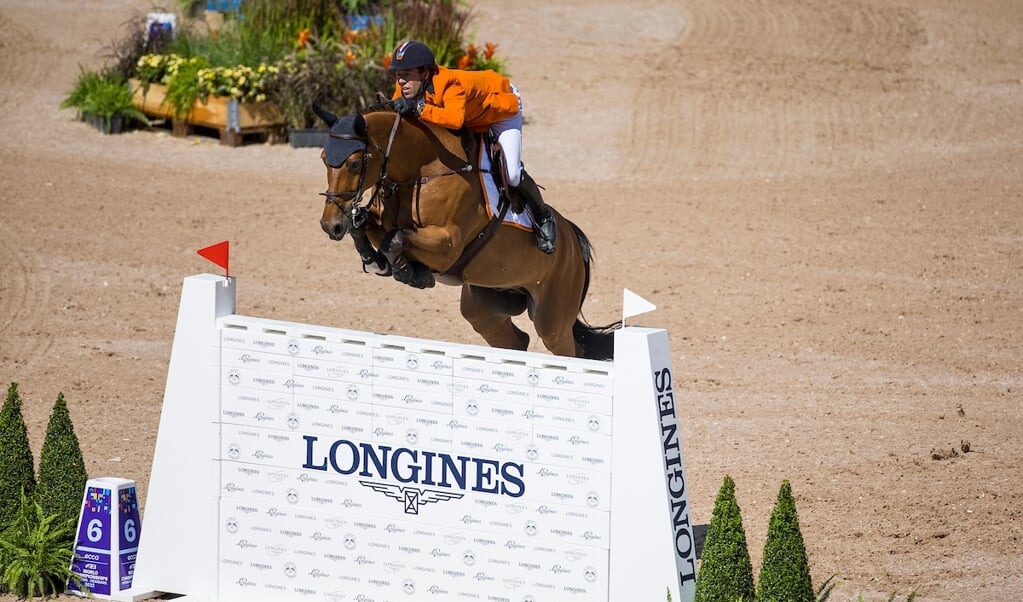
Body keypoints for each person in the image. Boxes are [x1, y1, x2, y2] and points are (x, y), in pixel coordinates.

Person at [387, 40, 556, 254]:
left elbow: (455, 119)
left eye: (407, 74)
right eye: (398, 75)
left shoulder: (451, 84)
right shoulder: (405, 86)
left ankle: (543, 217)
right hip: (473, 115)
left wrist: (419, 108)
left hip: (501, 109)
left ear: (425, 73)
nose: (401, 81)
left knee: (512, 174)